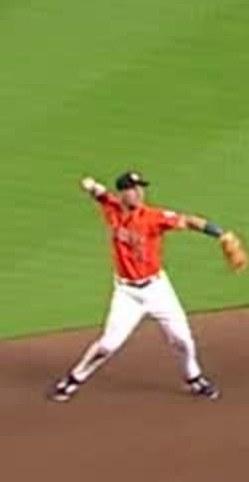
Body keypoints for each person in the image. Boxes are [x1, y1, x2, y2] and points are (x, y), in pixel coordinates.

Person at [50, 171, 233, 402]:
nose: (138, 193)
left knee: (183, 340)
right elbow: (101, 195)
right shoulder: (113, 209)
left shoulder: (154, 217)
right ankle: (73, 379)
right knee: (108, 345)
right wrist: (91, 186)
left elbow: (188, 221)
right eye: (132, 189)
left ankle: (194, 378)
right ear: (122, 193)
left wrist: (220, 234)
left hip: (158, 290)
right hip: (126, 293)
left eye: (140, 188)